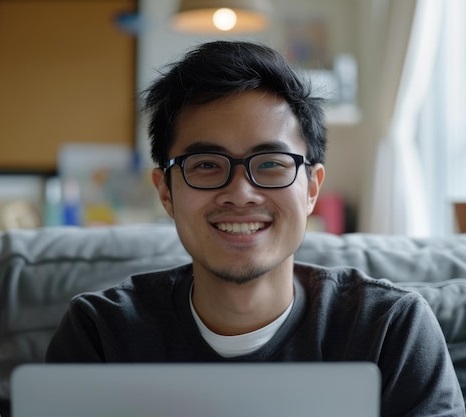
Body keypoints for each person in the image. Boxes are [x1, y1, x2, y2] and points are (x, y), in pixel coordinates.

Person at [46, 40, 465, 416]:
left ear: (311, 189)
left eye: (270, 164)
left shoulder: (390, 329)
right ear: (166, 192)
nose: (241, 193)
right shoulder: (100, 334)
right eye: (207, 166)